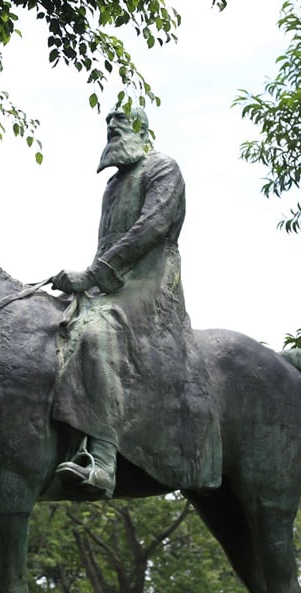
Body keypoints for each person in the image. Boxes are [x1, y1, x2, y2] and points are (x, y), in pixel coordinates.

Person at [50, 107, 221, 498]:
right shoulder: (113, 185)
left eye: (120, 120)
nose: (111, 127)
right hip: (109, 281)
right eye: (107, 121)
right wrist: (82, 282)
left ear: (143, 129)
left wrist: (92, 276)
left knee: (95, 336)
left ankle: (103, 462)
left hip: (151, 280)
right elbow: (107, 244)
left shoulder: (162, 168)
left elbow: (150, 229)